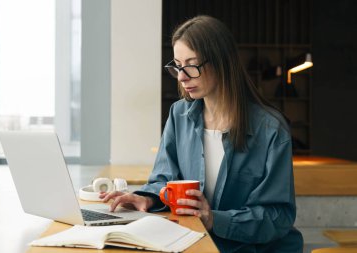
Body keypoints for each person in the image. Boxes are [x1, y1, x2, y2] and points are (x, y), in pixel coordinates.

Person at [100, 15, 303, 253]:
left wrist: (214, 218)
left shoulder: (271, 129)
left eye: (191, 65)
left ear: (221, 62)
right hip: (194, 244)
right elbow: (164, 179)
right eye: (177, 66)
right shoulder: (180, 115)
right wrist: (147, 198)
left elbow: (277, 216)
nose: (183, 76)